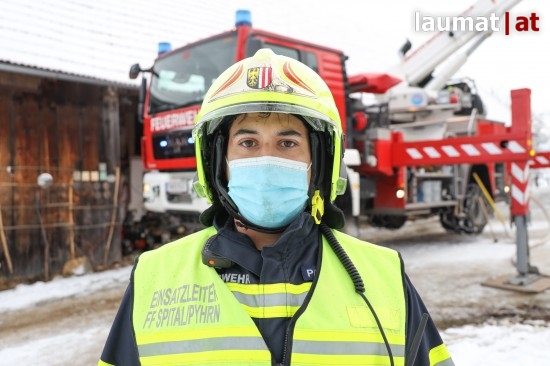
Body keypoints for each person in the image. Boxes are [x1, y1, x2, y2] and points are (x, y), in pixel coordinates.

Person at [99, 48, 454, 366]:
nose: (266, 159)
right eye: (248, 142)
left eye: (287, 142)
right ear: (218, 162)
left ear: (320, 161)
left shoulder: (383, 277)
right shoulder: (154, 278)